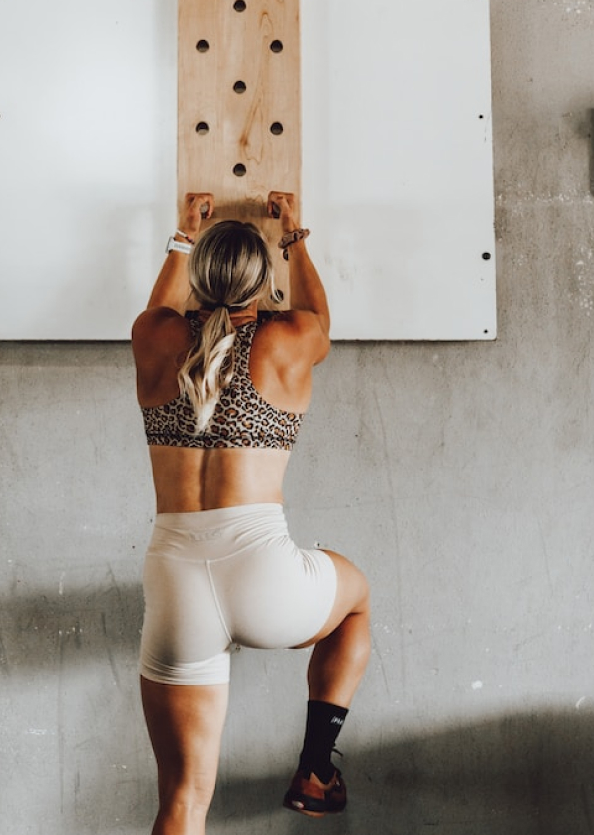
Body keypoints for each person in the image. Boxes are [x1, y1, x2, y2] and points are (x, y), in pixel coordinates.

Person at [131, 191, 370, 835]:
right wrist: (295, 238)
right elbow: (319, 314)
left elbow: (160, 306)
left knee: (181, 801)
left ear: (197, 276)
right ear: (265, 286)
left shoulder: (153, 336)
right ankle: (317, 769)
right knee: (356, 600)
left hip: (176, 578)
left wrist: (182, 235)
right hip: (267, 578)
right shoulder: (290, 339)